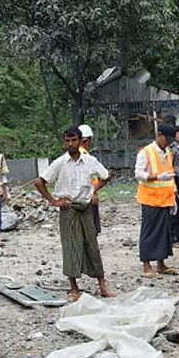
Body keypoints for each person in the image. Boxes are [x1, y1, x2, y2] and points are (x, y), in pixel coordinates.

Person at [35, 127, 115, 301]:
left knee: (92, 245)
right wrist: (54, 201)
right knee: (71, 246)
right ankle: (74, 288)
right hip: (68, 209)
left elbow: (107, 175)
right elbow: (39, 182)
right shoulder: (59, 163)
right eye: (67, 140)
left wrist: (95, 189)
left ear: (80, 141)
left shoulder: (90, 161)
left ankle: (102, 285)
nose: (70, 144)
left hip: (85, 208)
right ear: (64, 142)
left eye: (74, 140)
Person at [135, 124, 179, 278]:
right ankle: (147, 265)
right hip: (150, 199)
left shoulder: (167, 152)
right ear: (159, 135)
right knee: (149, 232)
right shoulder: (146, 152)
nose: (168, 143)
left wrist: (174, 195)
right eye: (166, 139)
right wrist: (157, 177)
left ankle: (161, 263)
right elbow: (138, 173)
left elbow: (170, 175)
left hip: (166, 199)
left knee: (164, 233)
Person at [78, 124, 103, 235]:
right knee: (90, 228)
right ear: (86, 140)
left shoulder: (76, 153)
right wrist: (93, 193)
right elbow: (89, 177)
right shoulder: (83, 155)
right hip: (87, 195)